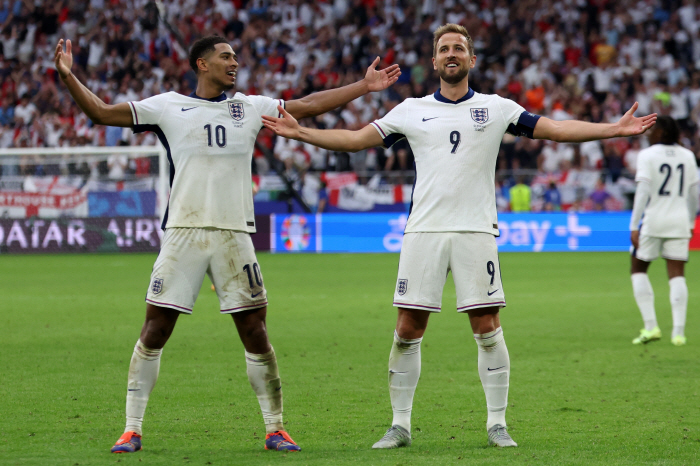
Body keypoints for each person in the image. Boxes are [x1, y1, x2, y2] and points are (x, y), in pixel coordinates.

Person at [262, 23, 657, 449]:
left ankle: (496, 423)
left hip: (476, 232)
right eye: (444, 49)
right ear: (434, 61)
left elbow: (555, 128)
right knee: (408, 327)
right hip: (423, 232)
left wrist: (611, 130)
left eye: (459, 49)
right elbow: (356, 140)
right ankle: (399, 425)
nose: (452, 54)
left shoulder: (497, 107)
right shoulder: (409, 110)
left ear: (471, 60)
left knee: (487, 326)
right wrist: (302, 133)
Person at [54, 35, 400, 454]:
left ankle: (276, 428)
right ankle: (131, 428)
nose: (234, 62)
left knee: (255, 330)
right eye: (225, 57)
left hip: (235, 235)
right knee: (155, 329)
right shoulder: (167, 106)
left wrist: (363, 87)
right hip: (184, 233)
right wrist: (69, 77)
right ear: (201, 64)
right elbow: (101, 112)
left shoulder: (250, 107)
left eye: (235, 56)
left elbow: (306, 106)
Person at [628, 116, 698, 346]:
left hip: (654, 220)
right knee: (677, 273)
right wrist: (690, 220)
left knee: (638, 267)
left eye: (652, 129)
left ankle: (651, 327)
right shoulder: (687, 155)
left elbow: (643, 190)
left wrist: (633, 224)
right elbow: (693, 193)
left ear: (661, 132)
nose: (648, 133)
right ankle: (678, 333)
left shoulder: (647, 155)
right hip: (679, 221)